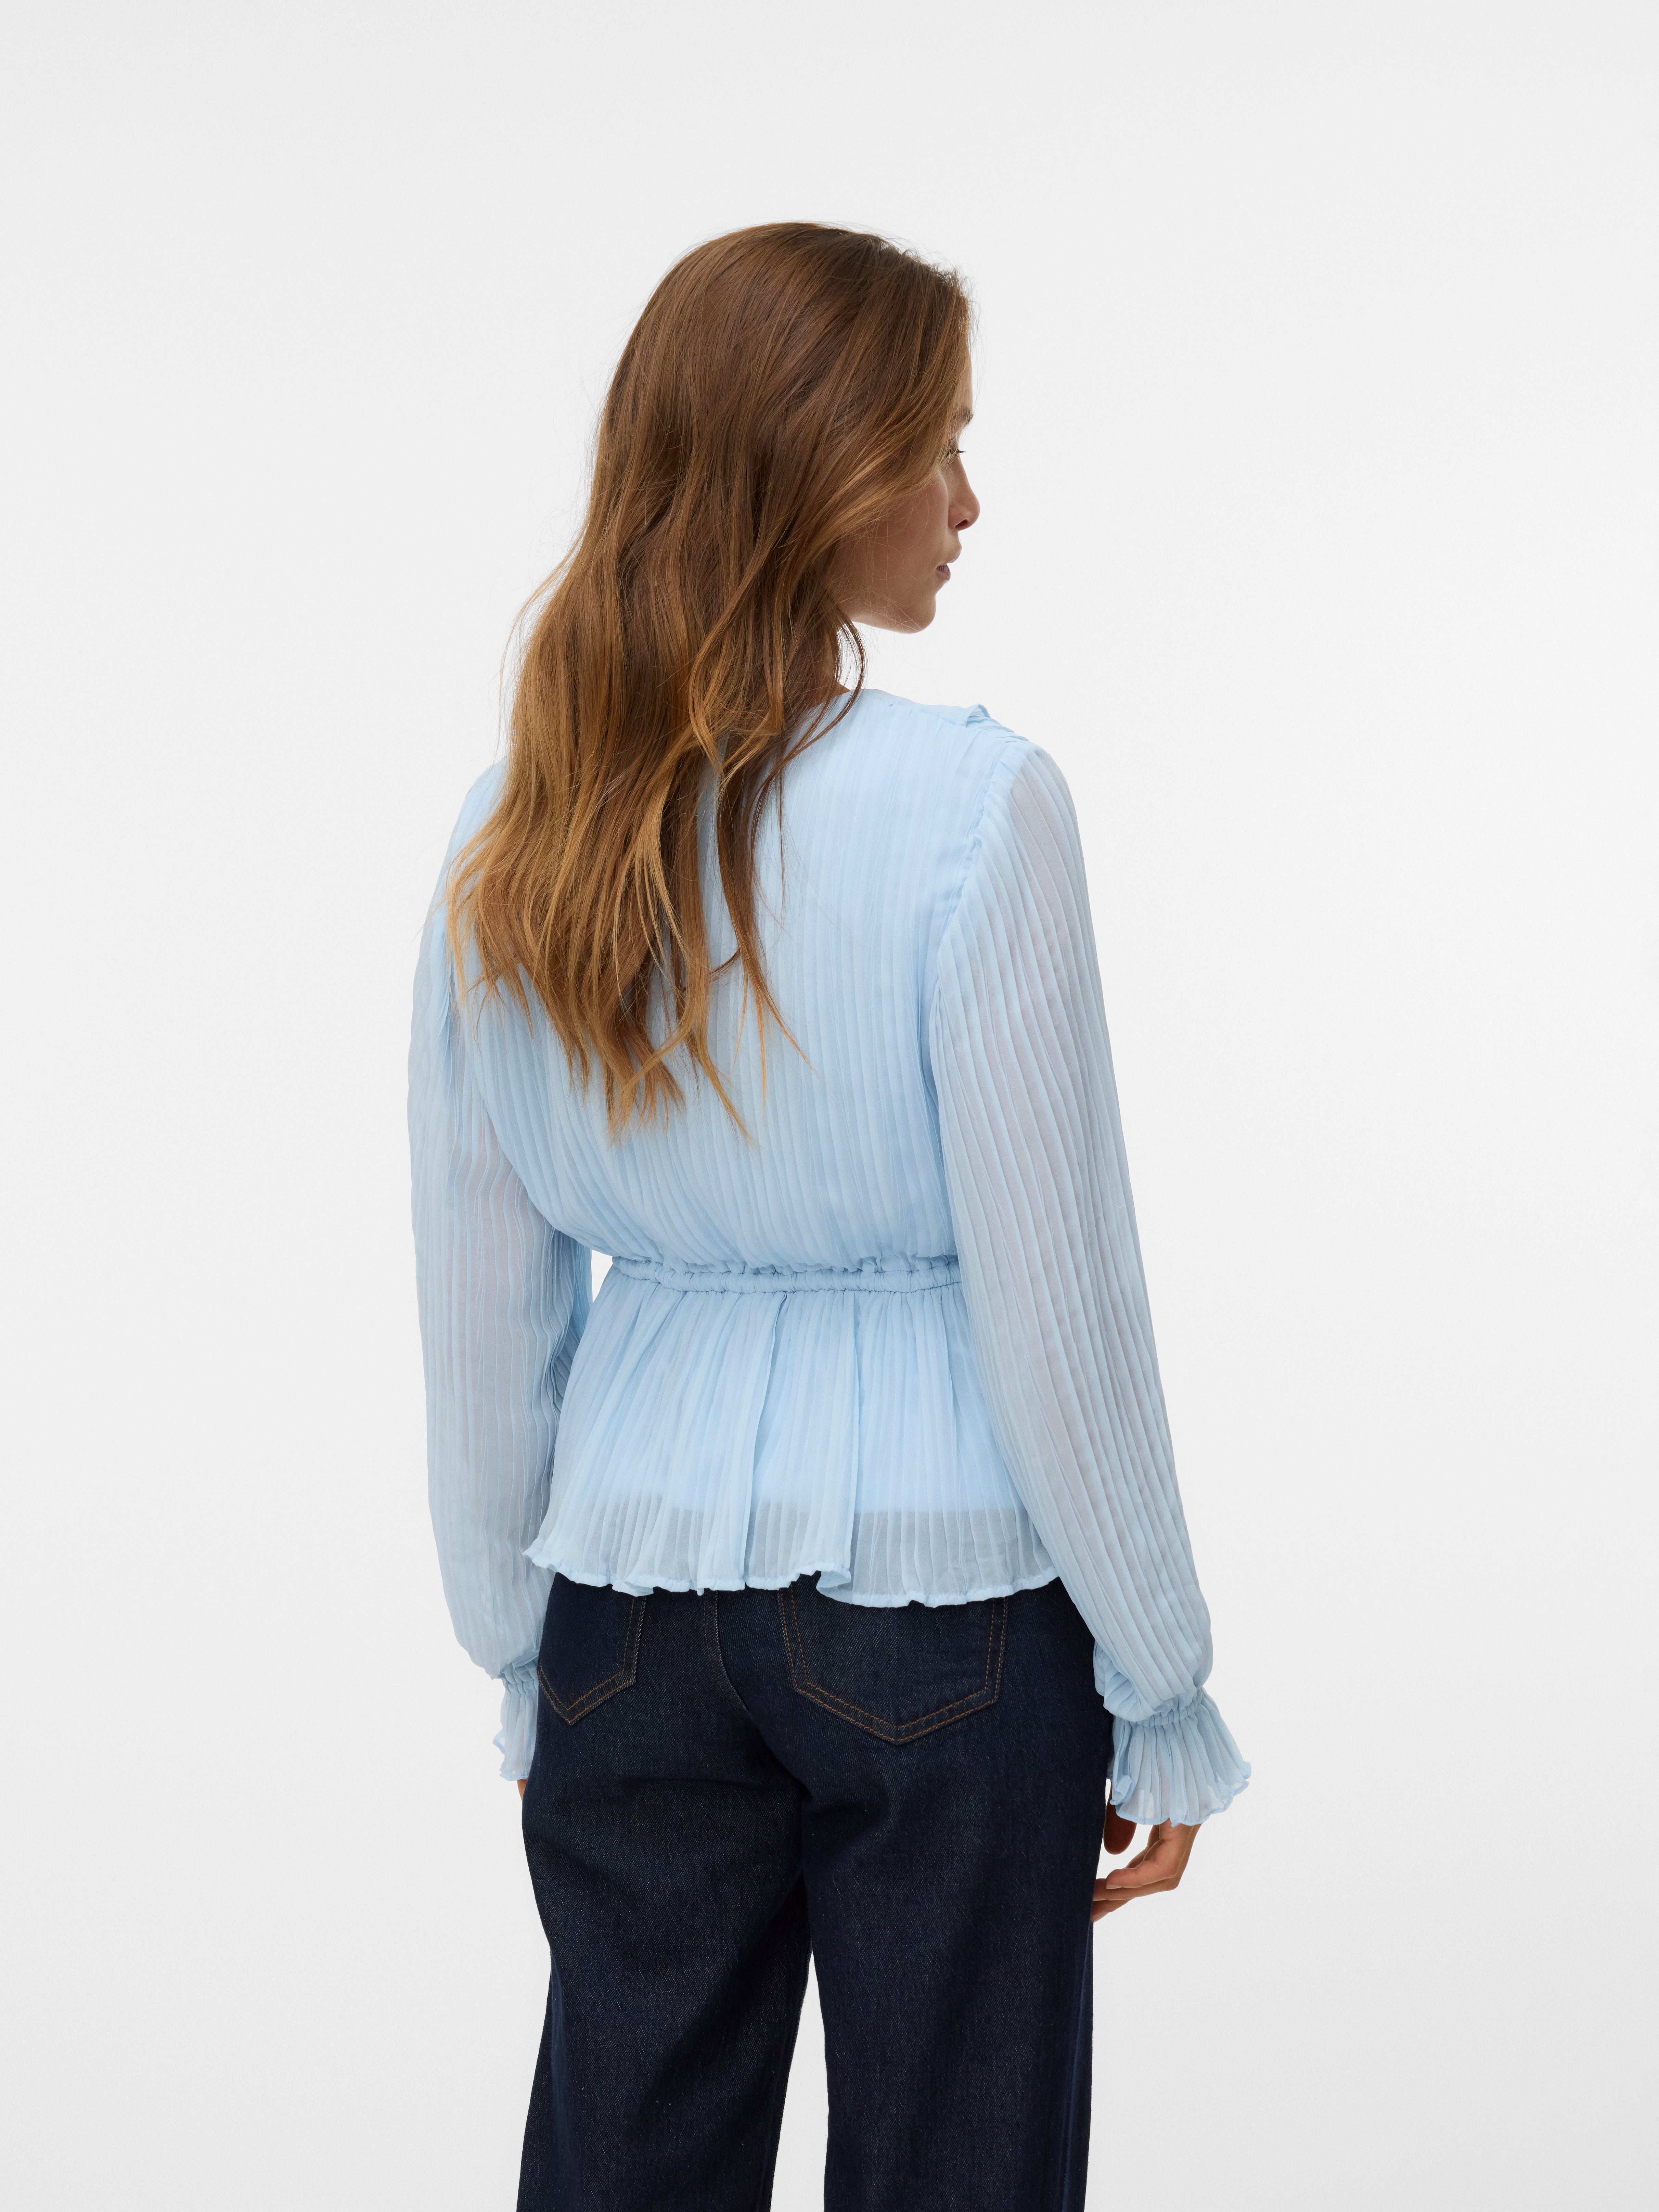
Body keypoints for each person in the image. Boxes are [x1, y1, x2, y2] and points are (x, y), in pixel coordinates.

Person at [408, 221, 1248, 2212]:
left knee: (622, 2164)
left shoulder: (514, 826)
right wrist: (1164, 1679)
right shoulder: (977, 810)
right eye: (933, 447)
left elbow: (481, 1296)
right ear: (816, 471)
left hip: (620, 1609)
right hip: (947, 1606)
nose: (970, 499)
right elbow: (1060, 1302)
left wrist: (520, 1649)